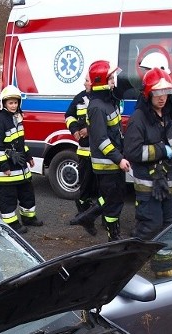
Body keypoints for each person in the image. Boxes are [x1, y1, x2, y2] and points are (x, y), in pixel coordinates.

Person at [124, 68, 172, 242]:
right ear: (148, 94)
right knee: (150, 226)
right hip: (148, 185)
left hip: (168, 182)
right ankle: (133, 262)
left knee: (168, 225)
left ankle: (163, 266)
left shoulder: (171, 113)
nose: (162, 98)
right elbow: (132, 151)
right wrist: (162, 150)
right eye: (158, 93)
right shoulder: (139, 118)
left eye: (166, 92)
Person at [71, 60, 130, 241]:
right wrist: (118, 158)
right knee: (113, 199)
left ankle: (88, 217)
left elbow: (115, 132)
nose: (113, 81)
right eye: (110, 78)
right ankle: (113, 236)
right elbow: (101, 140)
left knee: (113, 196)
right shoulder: (97, 107)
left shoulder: (108, 101)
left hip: (113, 160)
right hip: (107, 164)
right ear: (102, 81)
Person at [0, 85, 41, 234]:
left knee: (27, 194)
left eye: (15, 102)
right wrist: (4, 166)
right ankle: (11, 224)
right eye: (10, 103)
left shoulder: (17, 118)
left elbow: (20, 142)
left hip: (20, 167)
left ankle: (29, 218)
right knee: (8, 198)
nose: (13, 105)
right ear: (4, 103)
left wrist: (29, 156)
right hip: (6, 171)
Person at [64, 76, 100, 228]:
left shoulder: (102, 99)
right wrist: (74, 129)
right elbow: (69, 115)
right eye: (85, 80)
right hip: (84, 152)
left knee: (101, 188)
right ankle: (83, 215)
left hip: (100, 153)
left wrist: (89, 130)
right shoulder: (79, 98)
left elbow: (103, 121)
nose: (84, 82)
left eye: (88, 80)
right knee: (84, 187)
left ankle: (105, 218)